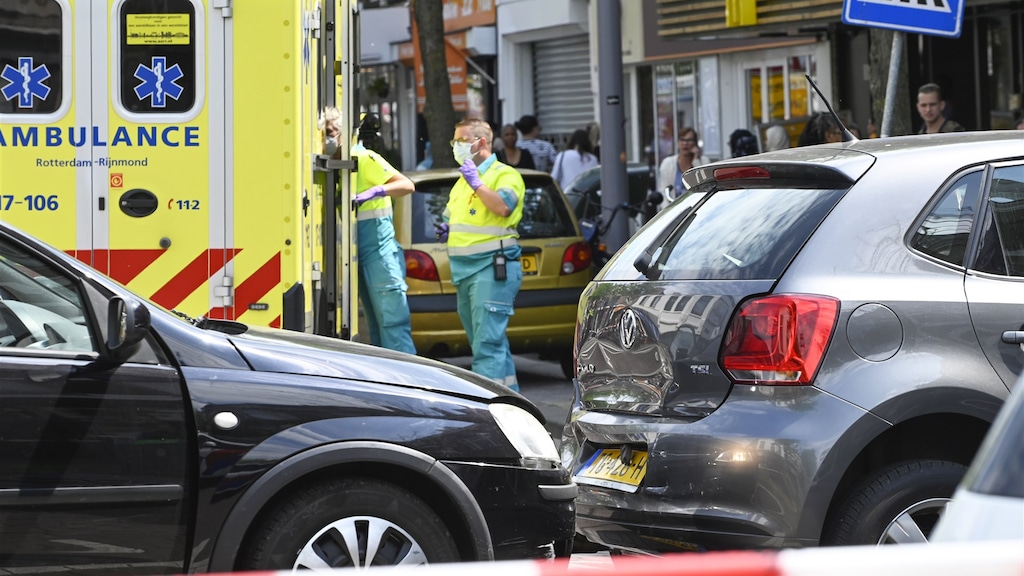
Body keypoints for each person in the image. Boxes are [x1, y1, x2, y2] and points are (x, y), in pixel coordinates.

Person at [437, 118, 526, 391]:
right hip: (465, 270)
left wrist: (477, 184)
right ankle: (511, 399)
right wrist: (445, 228)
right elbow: (455, 220)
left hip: (491, 267)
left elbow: (502, 208)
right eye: (455, 141)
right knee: (485, 341)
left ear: (482, 142)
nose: (456, 147)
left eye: (462, 141)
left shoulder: (505, 175)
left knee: (487, 344)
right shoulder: (461, 182)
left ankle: (488, 407)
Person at [322, 107, 417, 355]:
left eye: (332, 132)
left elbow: (406, 185)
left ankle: (409, 384)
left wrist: (375, 191)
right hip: (361, 256)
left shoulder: (364, 158)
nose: (328, 138)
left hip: (379, 254)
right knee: (376, 328)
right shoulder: (338, 166)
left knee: (393, 326)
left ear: (345, 133)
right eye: (325, 133)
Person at [657, 127, 710, 195]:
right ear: (678, 143)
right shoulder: (667, 163)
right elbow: (663, 191)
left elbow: (705, 186)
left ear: (695, 143)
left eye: (689, 140)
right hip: (675, 204)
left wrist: (696, 161)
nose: (685, 143)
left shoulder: (704, 161)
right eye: (682, 140)